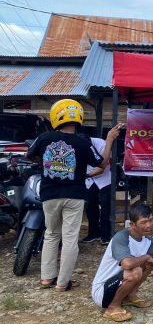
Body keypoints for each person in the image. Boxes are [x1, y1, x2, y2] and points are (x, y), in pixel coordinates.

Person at [26, 99, 122, 291]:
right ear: (78, 117)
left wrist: (47, 164)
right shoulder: (83, 142)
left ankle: (46, 278)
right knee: (70, 238)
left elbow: (31, 155)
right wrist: (110, 140)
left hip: (49, 194)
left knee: (51, 235)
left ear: (56, 116)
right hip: (75, 195)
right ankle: (62, 283)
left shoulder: (44, 138)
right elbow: (102, 164)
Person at [92, 204, 153, 322]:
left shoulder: (147, 240)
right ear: (132, 225)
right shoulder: (121, 238)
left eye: (150, 220)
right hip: (102, 292)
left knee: (150, 263)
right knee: (135, 270)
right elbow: (127, 264)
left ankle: (129, 296)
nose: (149, 225)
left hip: (119, 284)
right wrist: (146, 257)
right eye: (143, 222)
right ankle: (112, 307)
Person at [83, 136, 113, 245]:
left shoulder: (102, 144)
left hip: (104, 177)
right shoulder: (78, 144)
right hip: (88, 179)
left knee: (105, 207)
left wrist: (85, 175)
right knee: (90, 206)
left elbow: (103, 166)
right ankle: (93, 233)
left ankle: (106, 235)